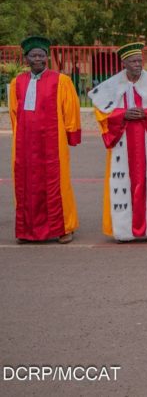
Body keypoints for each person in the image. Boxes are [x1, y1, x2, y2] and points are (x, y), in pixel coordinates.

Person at [89, 42, 147, 243]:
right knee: (122, 182)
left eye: (139, 61)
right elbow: (101, 114)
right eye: (133, 61)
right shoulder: (111, 85)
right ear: (123, 63)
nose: (137, 65)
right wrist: (122, 115)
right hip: (122, 141)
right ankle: (123, 230)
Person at [9, 36, 81, 244]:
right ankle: (27, 230)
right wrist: (19, 135)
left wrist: (72, 134)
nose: (38, 59)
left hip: (52, 141)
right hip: (25, 142)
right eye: (33, 56)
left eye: (41, 55)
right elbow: (14, 112)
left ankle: (64, 228)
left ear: (47, 57)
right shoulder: (17, 83)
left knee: (57, 184)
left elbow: (71, 109)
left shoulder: (61, 81)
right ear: (26, 59)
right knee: (27, 184)